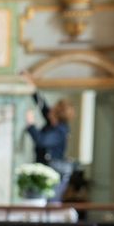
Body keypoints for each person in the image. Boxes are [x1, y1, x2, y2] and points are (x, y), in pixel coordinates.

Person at [22, 71, 76, 201]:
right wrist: (31, 85)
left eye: (54, 108)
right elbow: (42, 105)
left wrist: (31, 124)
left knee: (49, 202)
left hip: (54, 172)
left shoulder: (60, 131)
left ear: (57, 114)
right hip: (46, 169)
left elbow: (41, 140)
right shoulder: (53, 122)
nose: (50, 109)